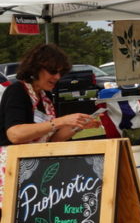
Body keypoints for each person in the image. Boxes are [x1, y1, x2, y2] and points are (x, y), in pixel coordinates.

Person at [0, 44, 99, 207]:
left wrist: (78, 125)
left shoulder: (45, 97)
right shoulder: (17, 91)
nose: (58, 77)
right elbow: (15, 134)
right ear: (36, 68)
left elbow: (52, 140)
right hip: (12, 172)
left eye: (61, 73)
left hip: (35, 172)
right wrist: (60, 121)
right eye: (53, 72)